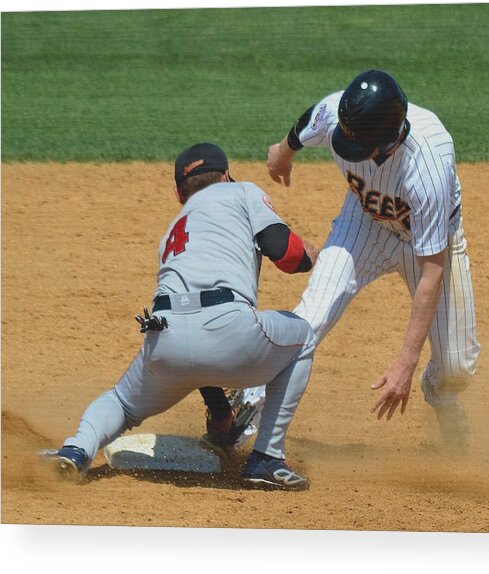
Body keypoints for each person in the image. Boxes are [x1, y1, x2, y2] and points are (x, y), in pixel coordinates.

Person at [203, 70, 480, 452]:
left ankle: (441, 395)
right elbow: (307, 123)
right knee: (312, 316)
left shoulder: (428, 167)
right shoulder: (340, 113)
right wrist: (283, 153)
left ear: (389, 143)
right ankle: (246, 405)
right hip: (363, 224)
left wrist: (406, 362)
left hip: (427, 242)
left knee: (458, 366)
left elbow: (431, 271)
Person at [41, 143, 318, 490]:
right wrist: (312, 255)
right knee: (303, 337)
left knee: (121, 401)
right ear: (227, 176)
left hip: (164, 338)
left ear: (178, 193)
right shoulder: (242, 191)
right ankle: (267, 457)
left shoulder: (173, 230)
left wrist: (220, 413)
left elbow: (194, 337)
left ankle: (77, 450)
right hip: (229, 330)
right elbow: (286, 254)